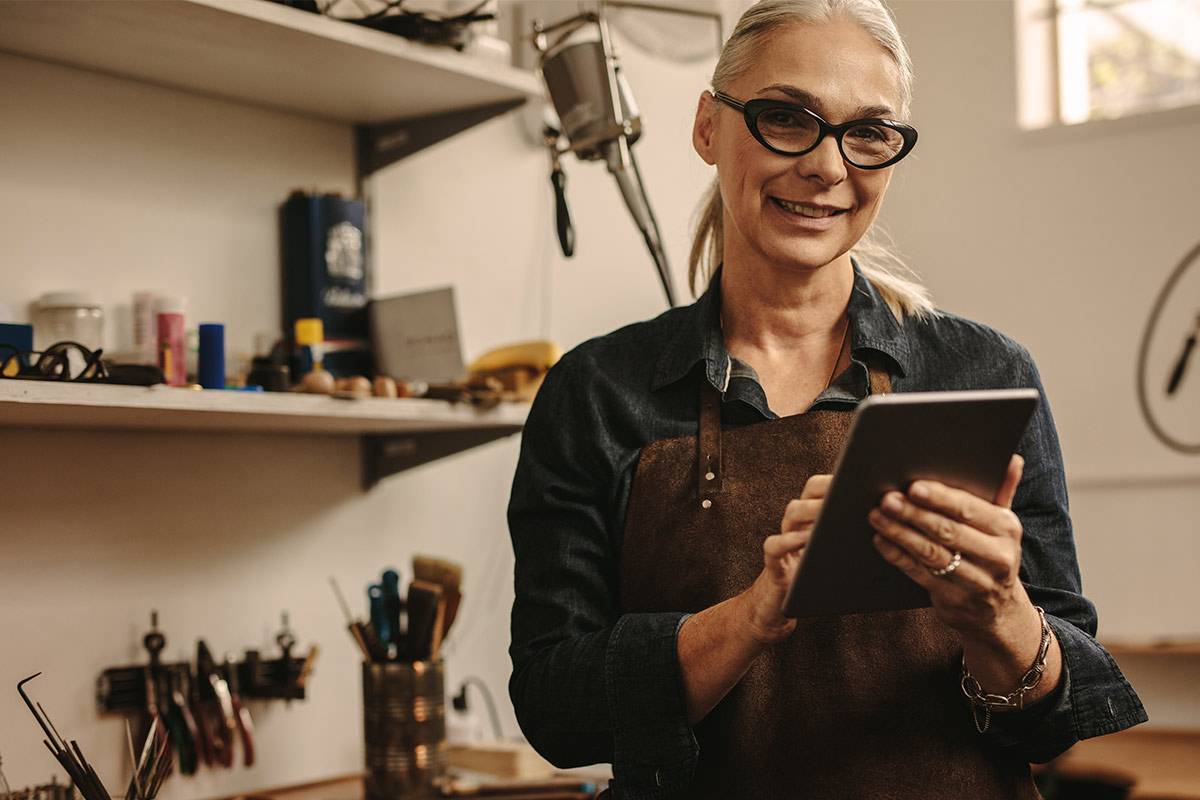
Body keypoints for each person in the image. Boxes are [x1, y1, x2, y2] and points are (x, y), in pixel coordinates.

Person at [507, 1, 1147, 797]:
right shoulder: (598, 393)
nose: (827, 166)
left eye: (868, 133)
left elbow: (1058, 721)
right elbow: (554, 708)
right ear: (708, 126)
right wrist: (750, 617)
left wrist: (1001, 617)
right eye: (785, 117)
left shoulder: (984, 372)